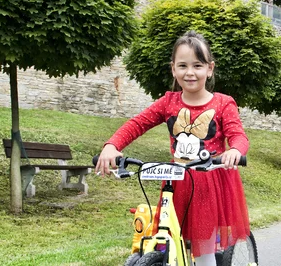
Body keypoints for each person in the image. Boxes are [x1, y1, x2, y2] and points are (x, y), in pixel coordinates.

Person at [95, 31, 250, 266]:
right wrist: (112, 145)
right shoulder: (168, 102)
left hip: (207, 183)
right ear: (173, 69)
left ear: (210, 69)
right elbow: (137, 124)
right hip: (176, 182)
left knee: (203, 249)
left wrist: (235, 150)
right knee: (168, 239)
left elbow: (238, 135)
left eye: (197, 65)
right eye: (183, 65)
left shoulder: (222, 103)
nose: (190, 72)